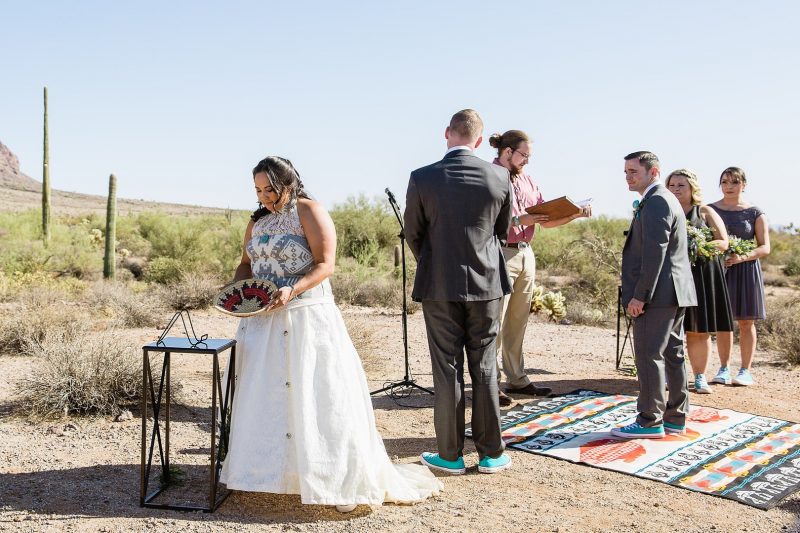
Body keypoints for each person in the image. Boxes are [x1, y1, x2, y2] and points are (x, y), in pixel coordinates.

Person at [220, 156, 442, 512]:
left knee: (317, 393)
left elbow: (326, 264)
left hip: (306, 317)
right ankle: (271, 474)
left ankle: (338, 480)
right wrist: (237, 290)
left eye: (270, 190)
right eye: (258, 191)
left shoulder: (309, 210)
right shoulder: (256, 221)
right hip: (262, 320)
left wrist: (292, 290)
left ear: (288, 185)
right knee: (267, 394)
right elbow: (246, 263)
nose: (263, 198)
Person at [404, 109, 514, 474]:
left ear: (447, 133)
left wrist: (434, 262)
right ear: (480, 141)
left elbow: (414, 233)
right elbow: (501, 231)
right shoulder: (500, 176)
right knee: (484, 366)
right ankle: (491, 454)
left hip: (438, 285)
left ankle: (449, 455)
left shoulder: (422, 177)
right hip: (487, 283)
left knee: (447, 367)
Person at [488, 130, 591, 406]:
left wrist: (574, 214)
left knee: (518, 320)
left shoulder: (529, 180)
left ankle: (517, 378)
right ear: (507, 152)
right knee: (494, 321)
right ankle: (490, 385)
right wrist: (526, 218)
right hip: (499, 252)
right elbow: (494, 219)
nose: (527, 162)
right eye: (524, 156)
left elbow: (543, 220)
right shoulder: (489, 175)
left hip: (525, 253)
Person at [612, 151, 697, 439]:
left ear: (654, 172)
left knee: (650, 355)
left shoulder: (658, 200)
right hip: (674, 291)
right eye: (625, 171)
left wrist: (641, 295)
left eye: (633, 171)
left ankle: (649, 420)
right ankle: (675, 417)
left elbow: (655, 252)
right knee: (672, 353)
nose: (628, 176)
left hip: (659, 293)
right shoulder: (665, 199)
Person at [665, 169, 734, 394]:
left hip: (702, 275)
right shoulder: (663, 210)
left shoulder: (705, 212)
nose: (675, 189)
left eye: (681, 185)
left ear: (692, 188)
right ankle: (671, 377)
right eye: (672, 185)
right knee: (669, 329)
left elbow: (722, 242)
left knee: (698, 329)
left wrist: (697, 246)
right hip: (671, 275)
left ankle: (699, 377)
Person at [708, 167, 771, 386]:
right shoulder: (709, 210)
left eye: (734, 182)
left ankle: (745, 371)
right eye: (724, 182)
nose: (729, 186)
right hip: (719, 270)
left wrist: (742, 257)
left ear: (743, 184)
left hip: (746, 270)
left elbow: (765, 247)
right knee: (723, 323)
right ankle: (723, 369)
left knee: (746, 322)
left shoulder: (755, 212)